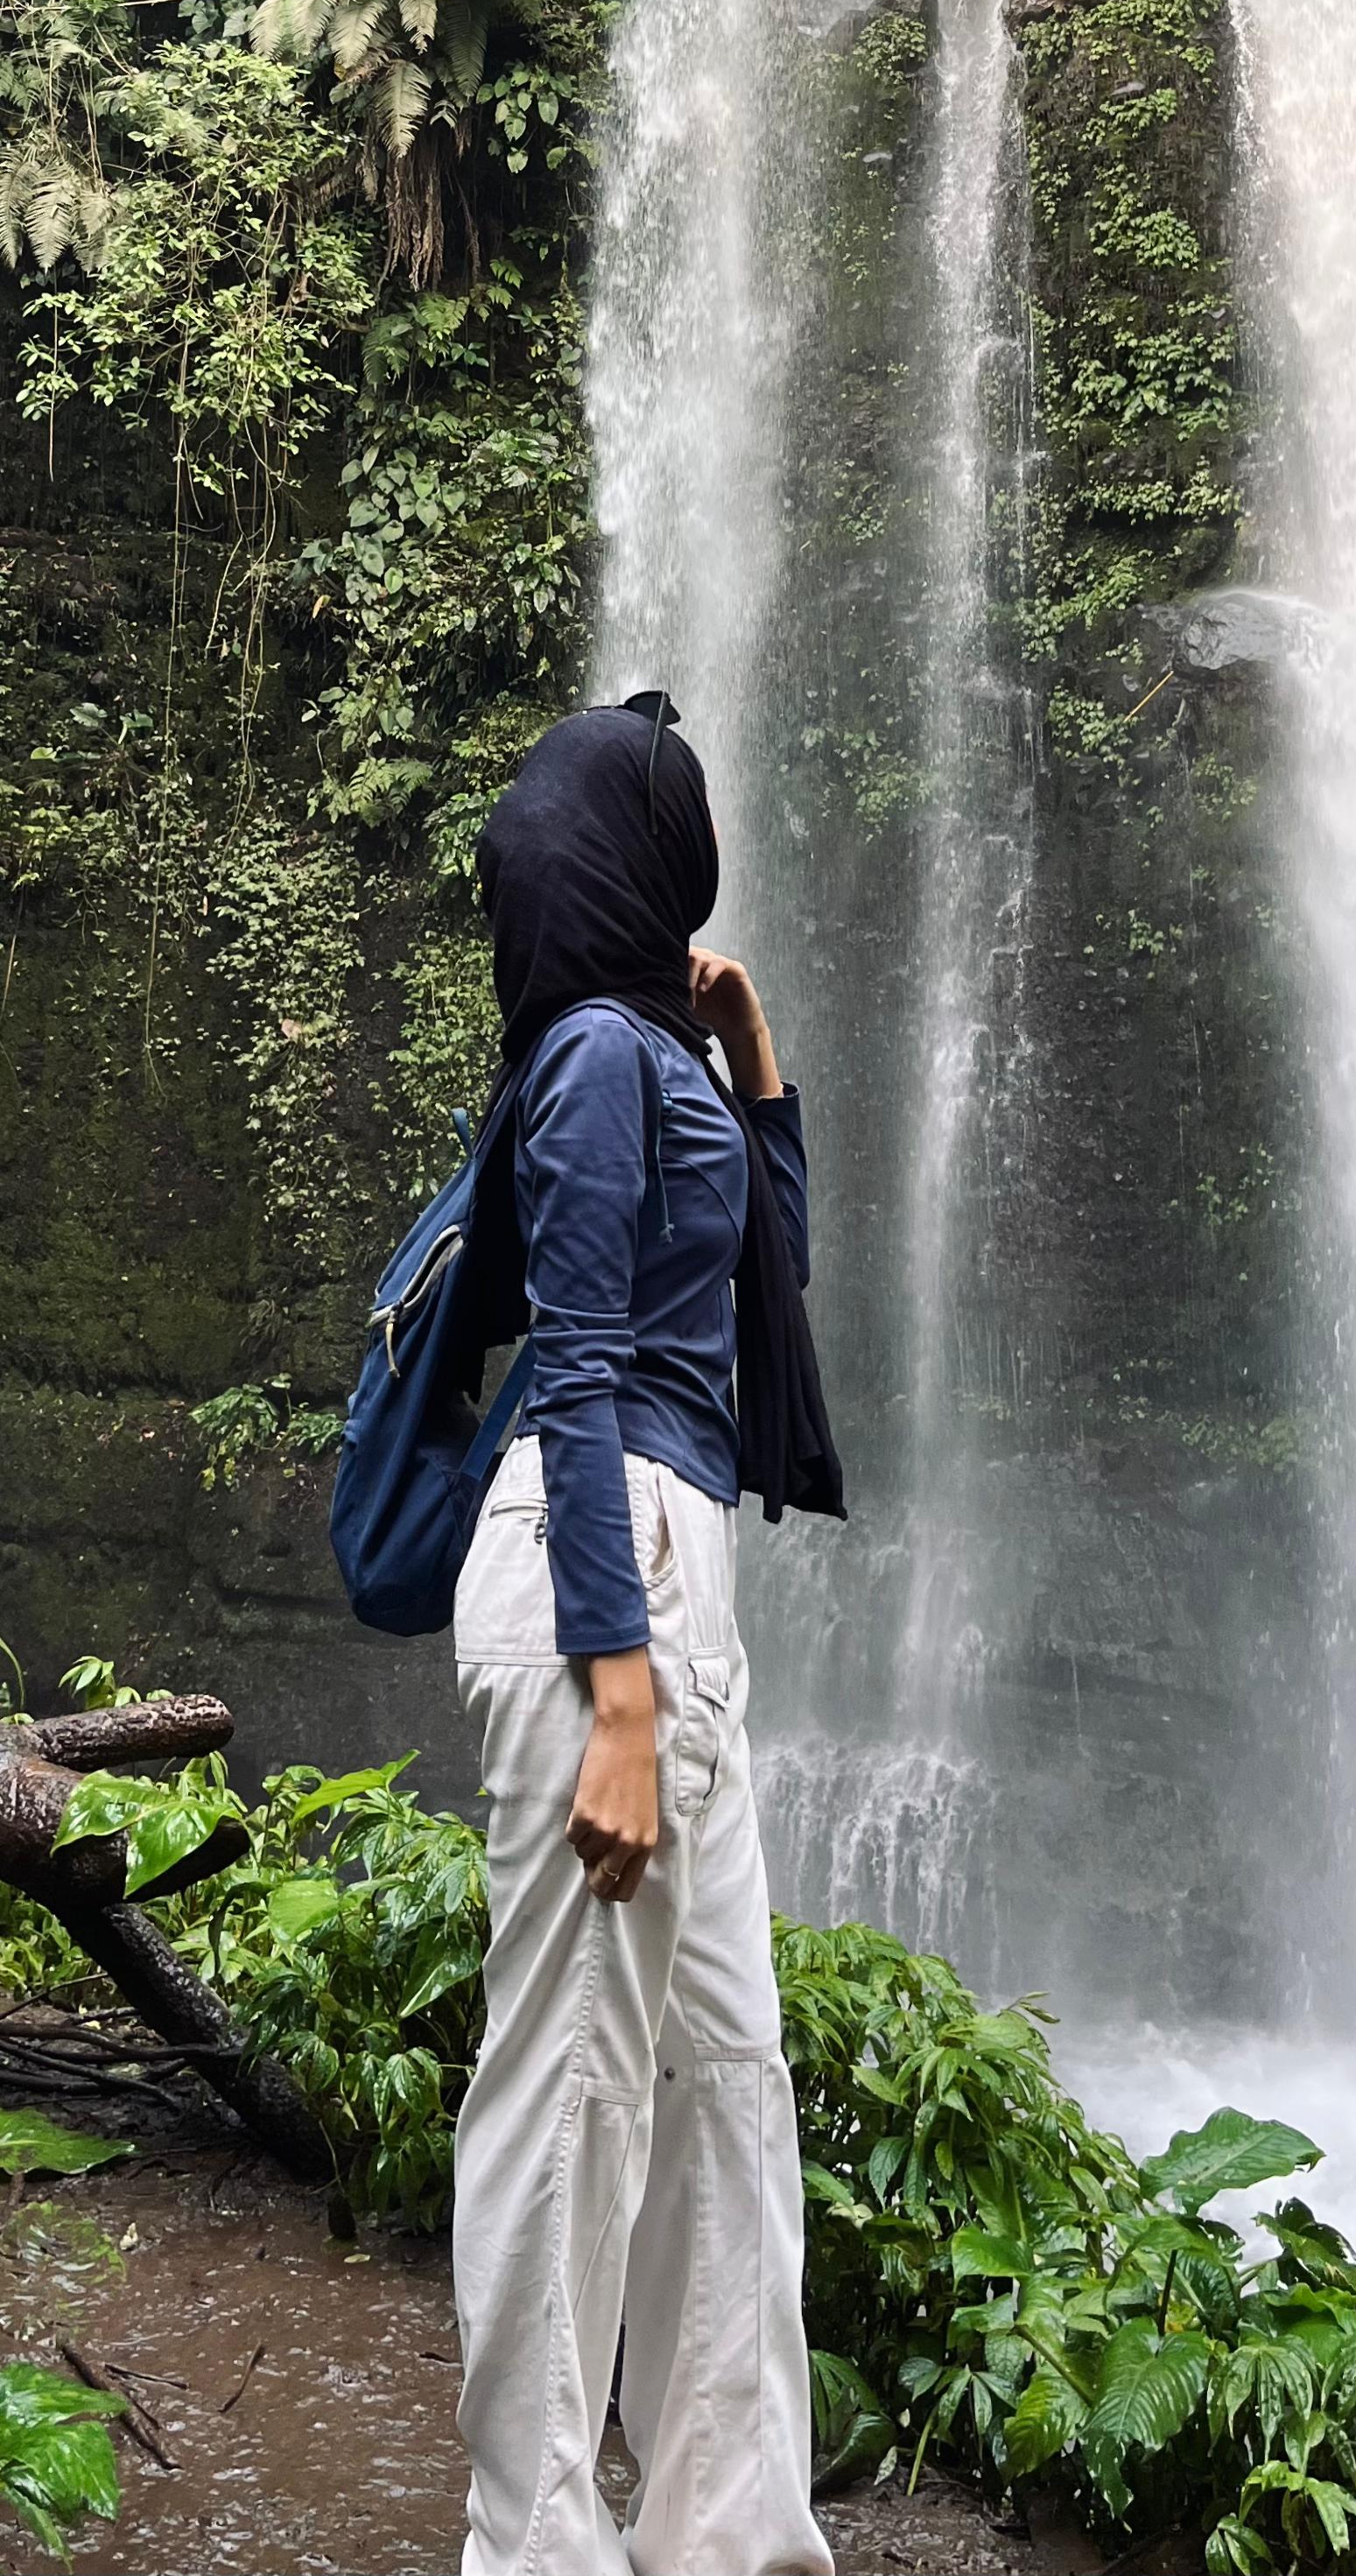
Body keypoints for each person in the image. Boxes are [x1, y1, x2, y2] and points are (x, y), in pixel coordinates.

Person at [451, 695, 844, 2576]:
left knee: (723, 2079)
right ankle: (529, 2550)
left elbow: (753, 1300)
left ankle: (731, 2537)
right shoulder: (597, 1058)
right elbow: (587, 1365)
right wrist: (618, 1692)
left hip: (671, 1576)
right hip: (610, 1583)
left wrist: (758, 1065)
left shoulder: (656, 1054)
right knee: (574, 2086)